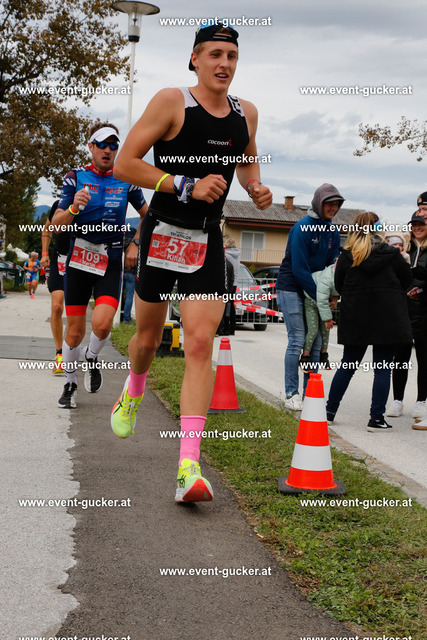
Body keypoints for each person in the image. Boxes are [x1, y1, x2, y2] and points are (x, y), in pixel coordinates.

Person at [110, 21, 272, 503]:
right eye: (215, 54)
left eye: (231, 56)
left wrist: (255, 187)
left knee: (200, 342)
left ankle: (188, 467)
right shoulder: (171, 102)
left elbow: (246, 160)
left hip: (207, 239)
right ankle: (133, 389)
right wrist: (184, 184)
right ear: (195, 59)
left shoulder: (246, 113)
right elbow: (124, 163)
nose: (224, 63)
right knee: (146, 339)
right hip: (162, 232)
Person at [52, 122, 148, 409]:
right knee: (74, 332)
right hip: (79, 260)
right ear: (91, 147)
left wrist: (135, 243)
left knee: (103, 325)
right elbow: (56, 225)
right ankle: (70, 384)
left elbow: (147, 215)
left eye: (113, 145)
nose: (108, 150)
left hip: (111, 260)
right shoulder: (75, 178)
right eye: (102, 144)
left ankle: (91, 357)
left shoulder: (126, 179)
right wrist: (73, 208)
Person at [326, 212, 412, 431]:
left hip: (356, 317)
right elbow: (407, 280)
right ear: (378, 228)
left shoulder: (347, 256)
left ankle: (329, 412)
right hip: (387, 318)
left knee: (347, 365)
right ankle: (376, 418)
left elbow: (339, 285)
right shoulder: (391, 254)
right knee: (382, 368)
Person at [276, 184, 344, 410]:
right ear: (318, 203)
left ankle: (310, 395)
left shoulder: (333, 232)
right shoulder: (302, 227)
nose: (333, 208)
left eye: (336, 204)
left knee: (315, 342)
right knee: (298, 339)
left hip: (316, 290)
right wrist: (320, 297)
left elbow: (333, 268)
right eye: (329, 203)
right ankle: (291, 394)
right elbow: (299, 269)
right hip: (291, 287)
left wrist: (333, 294)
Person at [385, 223, 426, 421]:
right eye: (415, 225)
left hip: (424, 312)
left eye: (422, 225)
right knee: (400, 358)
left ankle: (421, 401)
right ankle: (397, 400)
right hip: (403, 311)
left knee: (423, 359)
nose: (418, 228)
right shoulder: (404, 249)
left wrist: (421, 289)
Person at [40, 200, 72, 374]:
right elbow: (47, 229)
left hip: (81, 260)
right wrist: (45, 253)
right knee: (57, 306)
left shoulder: (94, 202)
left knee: (76, 312)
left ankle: (73, 351)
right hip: (59, 258)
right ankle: (59, 354)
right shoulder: (60, 204)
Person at [300, 260, 339, 372]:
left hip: (324, 301)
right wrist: (328, 319)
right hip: (311, 302)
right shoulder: (327, 278)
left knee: (326, 330)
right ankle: (304, 357)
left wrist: (336, 298)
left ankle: (324, 355)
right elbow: (321, 299)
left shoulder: (341, 276)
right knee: (313, 330)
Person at [224, 238, 240, 334]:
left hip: (228, 282)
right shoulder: (237, 255)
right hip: (235, 283)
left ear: (226, 246)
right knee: (231, 305)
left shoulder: (227, 256)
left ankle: (226, 327)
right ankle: (232, 328)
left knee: (226, 305)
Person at [122, 226, 138, 324]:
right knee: (129, 296)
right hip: (131, 273)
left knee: (119, 295)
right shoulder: (135, 246)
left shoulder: (122, 243)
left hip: (121, 272)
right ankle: (126, 318)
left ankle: (117, 316)